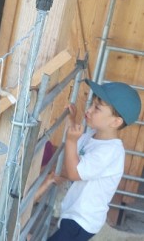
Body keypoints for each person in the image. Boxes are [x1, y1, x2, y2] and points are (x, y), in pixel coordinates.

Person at [48, 80, 142, 241]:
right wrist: (72, 122)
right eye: (92, 103)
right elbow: (75, 153)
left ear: (115, 122)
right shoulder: (93, 135)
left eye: (97, 108)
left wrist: (70, 140)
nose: (89, 109)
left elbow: (74, 172)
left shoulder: (110, 152)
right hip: (74, 213)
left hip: (82, 221)